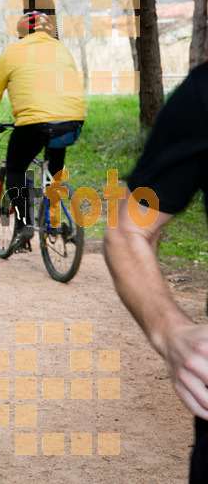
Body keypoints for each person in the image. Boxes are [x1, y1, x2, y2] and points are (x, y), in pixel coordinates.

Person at [104, 62, 208, 483]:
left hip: (38, 124)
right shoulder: (204, 94)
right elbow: (127, 228)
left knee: (21, 165)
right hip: (65, 121)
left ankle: (20, 205)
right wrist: (171, 332)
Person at [0, 11, 87, 253]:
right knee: (54, 172)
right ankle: (56, 222)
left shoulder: (14, 53)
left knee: (15, 169)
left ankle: (24, 226)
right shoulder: (62, 50)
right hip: (72, 121)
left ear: (22, 33)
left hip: (34, 123)